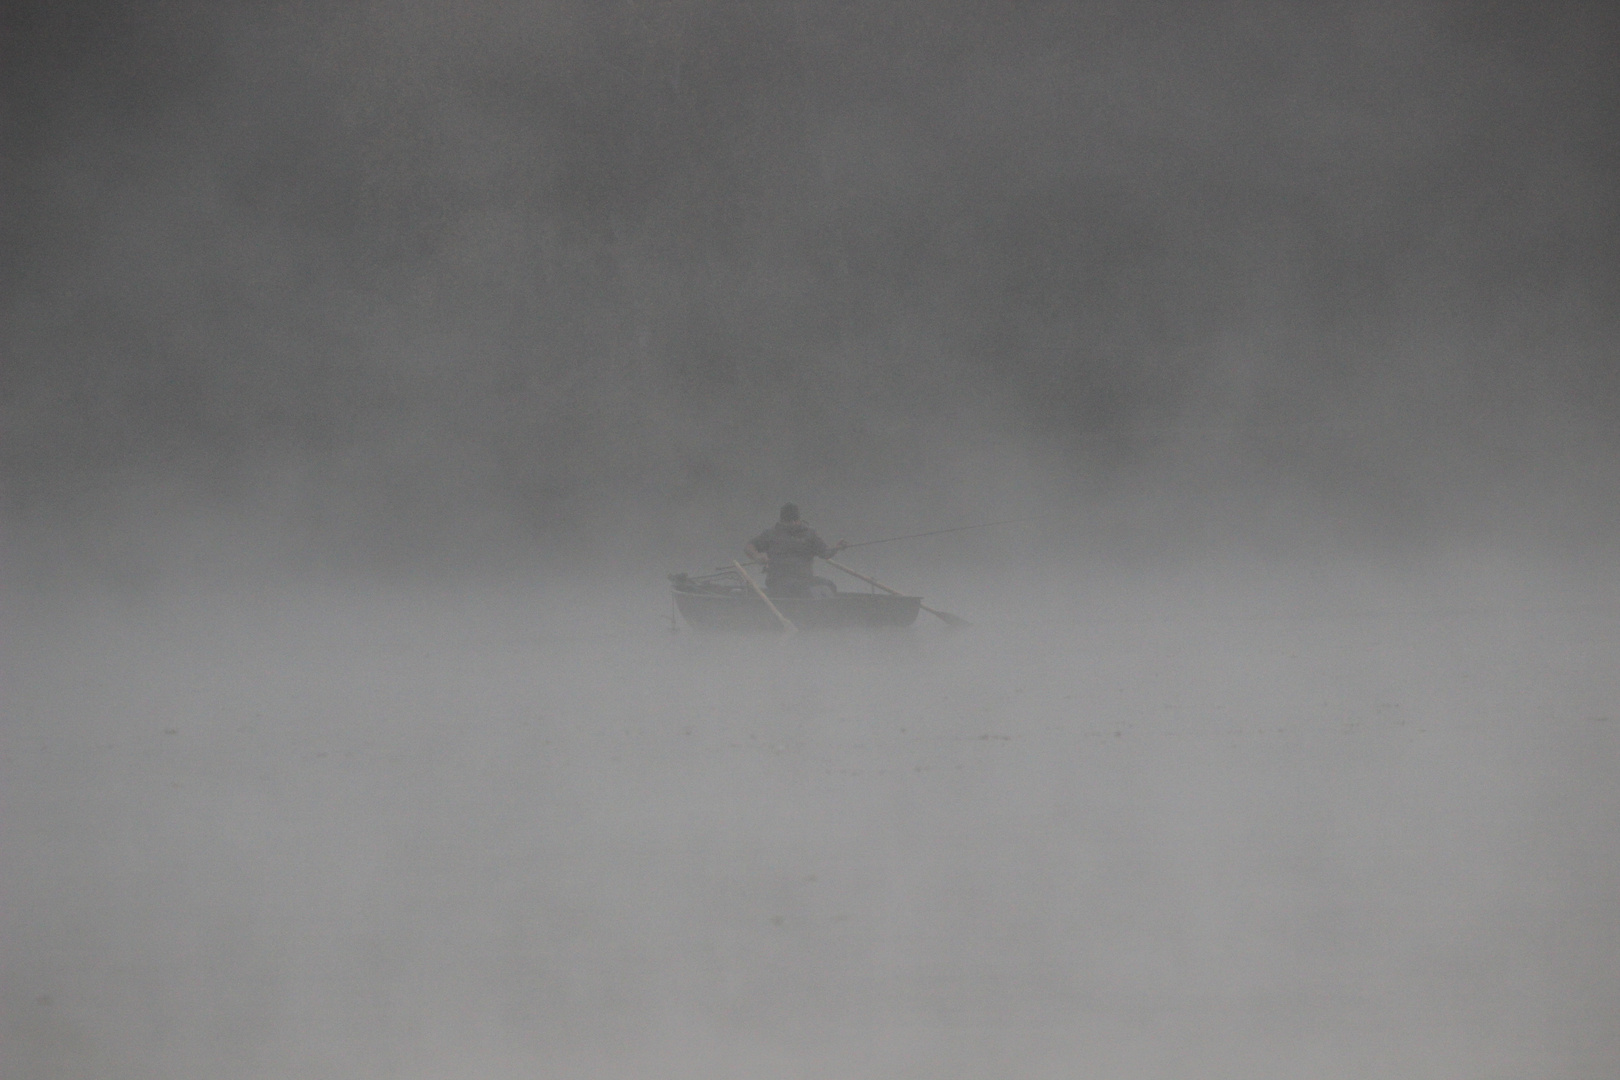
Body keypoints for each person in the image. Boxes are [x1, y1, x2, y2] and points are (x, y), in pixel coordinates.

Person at [744, 504, 848, 598]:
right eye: (788, 522)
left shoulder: (809, 534)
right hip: (779, 582)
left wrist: (837, 548)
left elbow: (825, 553)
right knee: (803, 591)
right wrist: (757, 556)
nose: (792, 524)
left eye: (794, 520)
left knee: (829, 585)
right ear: (781, 521)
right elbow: (749, 546)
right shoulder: (771, 534)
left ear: (798, 519)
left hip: (805, 580)